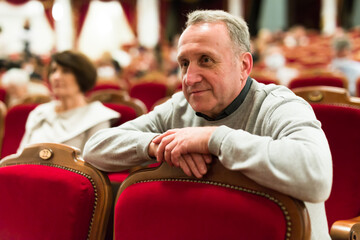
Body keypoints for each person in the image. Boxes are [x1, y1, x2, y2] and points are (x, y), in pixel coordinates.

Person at [83, 10, 332, 239]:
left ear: (244, 65)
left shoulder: (279, 105)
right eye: (184, 64)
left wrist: (213, 139)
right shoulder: (179, 107)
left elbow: (317, 176)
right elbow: (95, 148)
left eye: (206, 60)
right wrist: (159, 144)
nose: (189, 78)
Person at [18, 50, 120, 154]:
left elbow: (95, 165)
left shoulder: (97, 116)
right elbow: (19, 156)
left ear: (83, 77)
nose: (56, 77)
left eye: (66, 71)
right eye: (53, 71)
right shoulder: (40, 113)